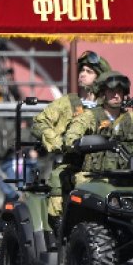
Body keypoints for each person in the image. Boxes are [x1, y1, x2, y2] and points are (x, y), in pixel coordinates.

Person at [31, 50, 110, 228]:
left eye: (89, 72)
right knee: (58, 178)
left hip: (109, 168)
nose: (82, 74)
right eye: (82, 70)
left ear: (101, 77)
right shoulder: (69, 103)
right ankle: (59, 228)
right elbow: (39, 122)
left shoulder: (111, 105)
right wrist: (58, 141)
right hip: (76, 165)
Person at [63, 71, 133, 183]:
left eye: (119, 92)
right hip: (94, 179)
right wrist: (78, 143)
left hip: (128, 178)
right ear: (102, 94)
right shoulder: (89, 117)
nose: (116, 96)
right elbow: (71, 138)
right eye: (111, 91)